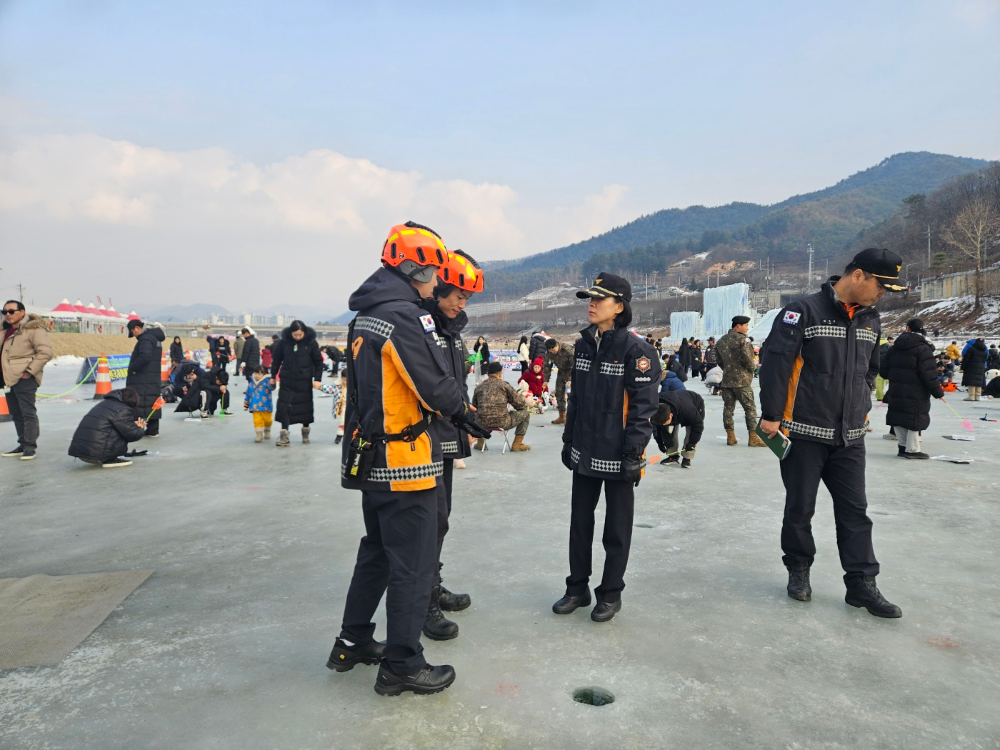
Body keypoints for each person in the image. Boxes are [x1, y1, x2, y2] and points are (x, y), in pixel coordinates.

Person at [331, 221, 489, 697]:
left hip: (369, 456)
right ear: (417, 267)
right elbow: (433, 384)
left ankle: (352, 640)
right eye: (435, 272)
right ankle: (402, 662)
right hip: (404, 461)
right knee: (413, 564)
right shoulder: (404, 316)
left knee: (376, 552)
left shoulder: (366, 314)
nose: (438, 284)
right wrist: (467, 414)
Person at [759, 248, 905, 619]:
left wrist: (861, 405)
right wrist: (773, 415)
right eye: (881, 285)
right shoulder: (802, 312)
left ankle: (861, 584)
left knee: (856, 512)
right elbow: (775, 365)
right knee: (800, 510)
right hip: (805, 433)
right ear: (857, 276)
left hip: (850, 437)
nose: (882, 294)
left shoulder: (872, 319)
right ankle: (799, 571)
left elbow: (870, 372)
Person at [553, 272, 660, 623]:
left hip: (618, 455)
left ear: (620, 307)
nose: (592, 304)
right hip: (585, 449)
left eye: (600, 299)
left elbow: (643, 409)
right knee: (579, 523)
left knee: (616, 528)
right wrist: (570, 440)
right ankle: (577, 588)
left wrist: (634, 453)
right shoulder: (584, 345)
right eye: (590, 298)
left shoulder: (637, 351)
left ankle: (610, 593)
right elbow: (577, 398)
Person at [419, 249, 484, 640]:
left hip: (447, 436)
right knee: (427, 524)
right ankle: (422, 602)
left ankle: (432, 585)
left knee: (440, 520)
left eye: (467, 298)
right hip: (423, 440)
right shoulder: (423, 326)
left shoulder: (450, 329)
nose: (462, 303)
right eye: (458, 293)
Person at [880, 318, 942, 459]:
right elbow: (929, 373)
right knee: (914, 417)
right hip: (916, 390)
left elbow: (883, 370)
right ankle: (912, 449)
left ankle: (902, 447)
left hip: (896, 388)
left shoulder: (895, 347)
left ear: (907, 328)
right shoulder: (924, 348)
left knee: (899, 416)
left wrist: (896, 376)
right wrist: (937, 391)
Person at [1, 302, 54, 461]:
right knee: (16, 413)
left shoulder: (33, 329)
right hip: (7, 378)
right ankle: (23, 443)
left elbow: (46, 352)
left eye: (11, 311)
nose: (7, 314)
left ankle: (30, 447)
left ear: (22, 312)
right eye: (4, 311)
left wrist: (29, 372)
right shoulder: (3, 329)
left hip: (25, 378)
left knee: (27, 412)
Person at [715, 315, 766, 447]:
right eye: (746, 325)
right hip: (742, 381)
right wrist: (752, 369)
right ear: (738, 326)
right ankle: (753, 438)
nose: (747, 328)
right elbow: (748, 359)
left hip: (726, 381)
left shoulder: (721, 341)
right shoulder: (744, 340)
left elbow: (719, 360)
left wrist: (727, 369)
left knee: (728, 409)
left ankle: (730, 437)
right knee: (750, 409)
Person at [270, 320, 323, 447]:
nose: (298, 337)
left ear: (304, 332)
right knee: (285, 406)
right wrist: (273, 376)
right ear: (291, 333)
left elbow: (318, 362)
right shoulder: (284, 342)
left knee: (304, 408)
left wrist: (317, 379)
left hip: (304, 380)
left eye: (300, 334)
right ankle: (284, 436)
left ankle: (305, 432)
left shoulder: (311, 343)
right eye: (295, 335)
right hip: (287, 380)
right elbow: (276, 360)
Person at [68, 388, 147, 468]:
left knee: (113, 427)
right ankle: (110, 458)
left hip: (82, 451)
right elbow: (132, 435)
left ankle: (105, 456)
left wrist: (131, 424)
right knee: (121, 431)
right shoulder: (122, 410)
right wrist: (140, 428)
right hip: (97, 454)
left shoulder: (105, 404)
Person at [473, 361, 534, 451]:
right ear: (499, 374)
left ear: (488, 374)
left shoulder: (479, 387)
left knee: (477, 415)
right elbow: (519, 404)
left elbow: (474, 407)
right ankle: (517, 443)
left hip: (482, 423)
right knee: (525, 414)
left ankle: (480, 443)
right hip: (502, 421)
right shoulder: (504, 385)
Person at [125, 319, 166, 437]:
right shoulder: (154, 338)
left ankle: (139, 428)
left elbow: (145, 357)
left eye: (133, 332)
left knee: (141, 401)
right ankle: (153, 429)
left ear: (137, 328)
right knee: (150, 401)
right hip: (151, 377)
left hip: (143, 378)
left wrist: (133, 368)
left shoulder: (146, 339)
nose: (133, 335)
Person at [652, 389, 705, 468]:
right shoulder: (654, 410)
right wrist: (660, 442)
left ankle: (687, 457)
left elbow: (698, 425)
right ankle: (672, 455)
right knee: (667, 430)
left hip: (695, 404)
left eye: (666, 421)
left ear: (671, 415)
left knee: (691, 432)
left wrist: (692, 443)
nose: (663, 424)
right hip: (675, 403)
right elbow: (656, 428)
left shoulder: (688, 410)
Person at [545, 338, 574, 425]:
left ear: (557, 345)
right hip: (561, 372)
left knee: (572, 395)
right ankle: (562, 416)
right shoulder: (549, 353)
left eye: (553, 350)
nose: (552, 352)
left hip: (571, 372)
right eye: (550, 350)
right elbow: (547, 366)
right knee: (559, 393)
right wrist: (545, 380)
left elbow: (575, 365)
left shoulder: (567, 349)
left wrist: (571, 379)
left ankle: (572, 417)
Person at [243, 365, 273, 442]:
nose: (256, 375)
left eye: (259, 374)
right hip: (255, 407)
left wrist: (273, 383)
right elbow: (248, 394)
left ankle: (267, 430)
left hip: (266, 406)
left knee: (268, 420)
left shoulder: (266, 382)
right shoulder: (251, 383)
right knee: (257, 421)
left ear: (264, 374)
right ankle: (259, 434)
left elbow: (272, 387)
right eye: (255, 373)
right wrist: (246, 404)